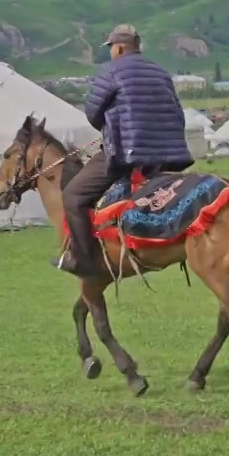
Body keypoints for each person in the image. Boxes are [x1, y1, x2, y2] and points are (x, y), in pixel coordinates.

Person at [56, 24, 194, 277]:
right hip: (165, 156)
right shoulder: (161, 73)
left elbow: (92, 112)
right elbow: (176, 112)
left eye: (111, 48)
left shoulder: (110, 71)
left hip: (127, 154)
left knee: (72, 197)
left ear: (118, 48)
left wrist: (109, 130)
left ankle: (82, 260)